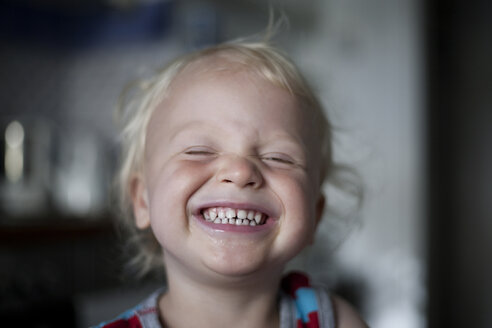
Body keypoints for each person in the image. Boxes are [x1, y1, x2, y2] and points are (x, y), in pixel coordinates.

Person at [94, 39, 368, 328]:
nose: (240, 171)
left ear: (316, 212)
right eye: (199, 150)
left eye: (279, 158)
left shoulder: (337, 322)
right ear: (142, 200)